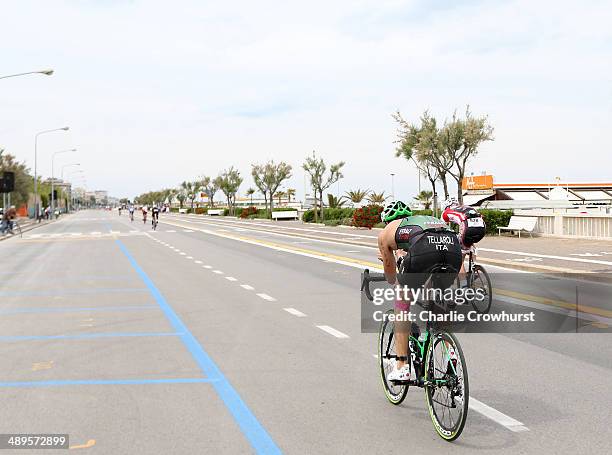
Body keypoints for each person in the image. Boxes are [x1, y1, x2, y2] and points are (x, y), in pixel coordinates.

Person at [377, 201, 462, 382]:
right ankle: (450, 353)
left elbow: (391, 277)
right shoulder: (422, 220)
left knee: (401, 299)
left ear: (386, 221)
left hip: (425, 249)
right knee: (438, 300)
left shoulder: (385, 233)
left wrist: (393, 274)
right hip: (452, 246)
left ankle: (401, 366)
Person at [442, 198, 486, 284]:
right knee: (469, 242)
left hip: (467, 228)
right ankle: (475, 267)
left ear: (446, 206)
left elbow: (441, 228)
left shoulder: (447, 212)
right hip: (482, 228)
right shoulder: (466, 208)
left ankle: (464, 286)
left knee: (459, 261)